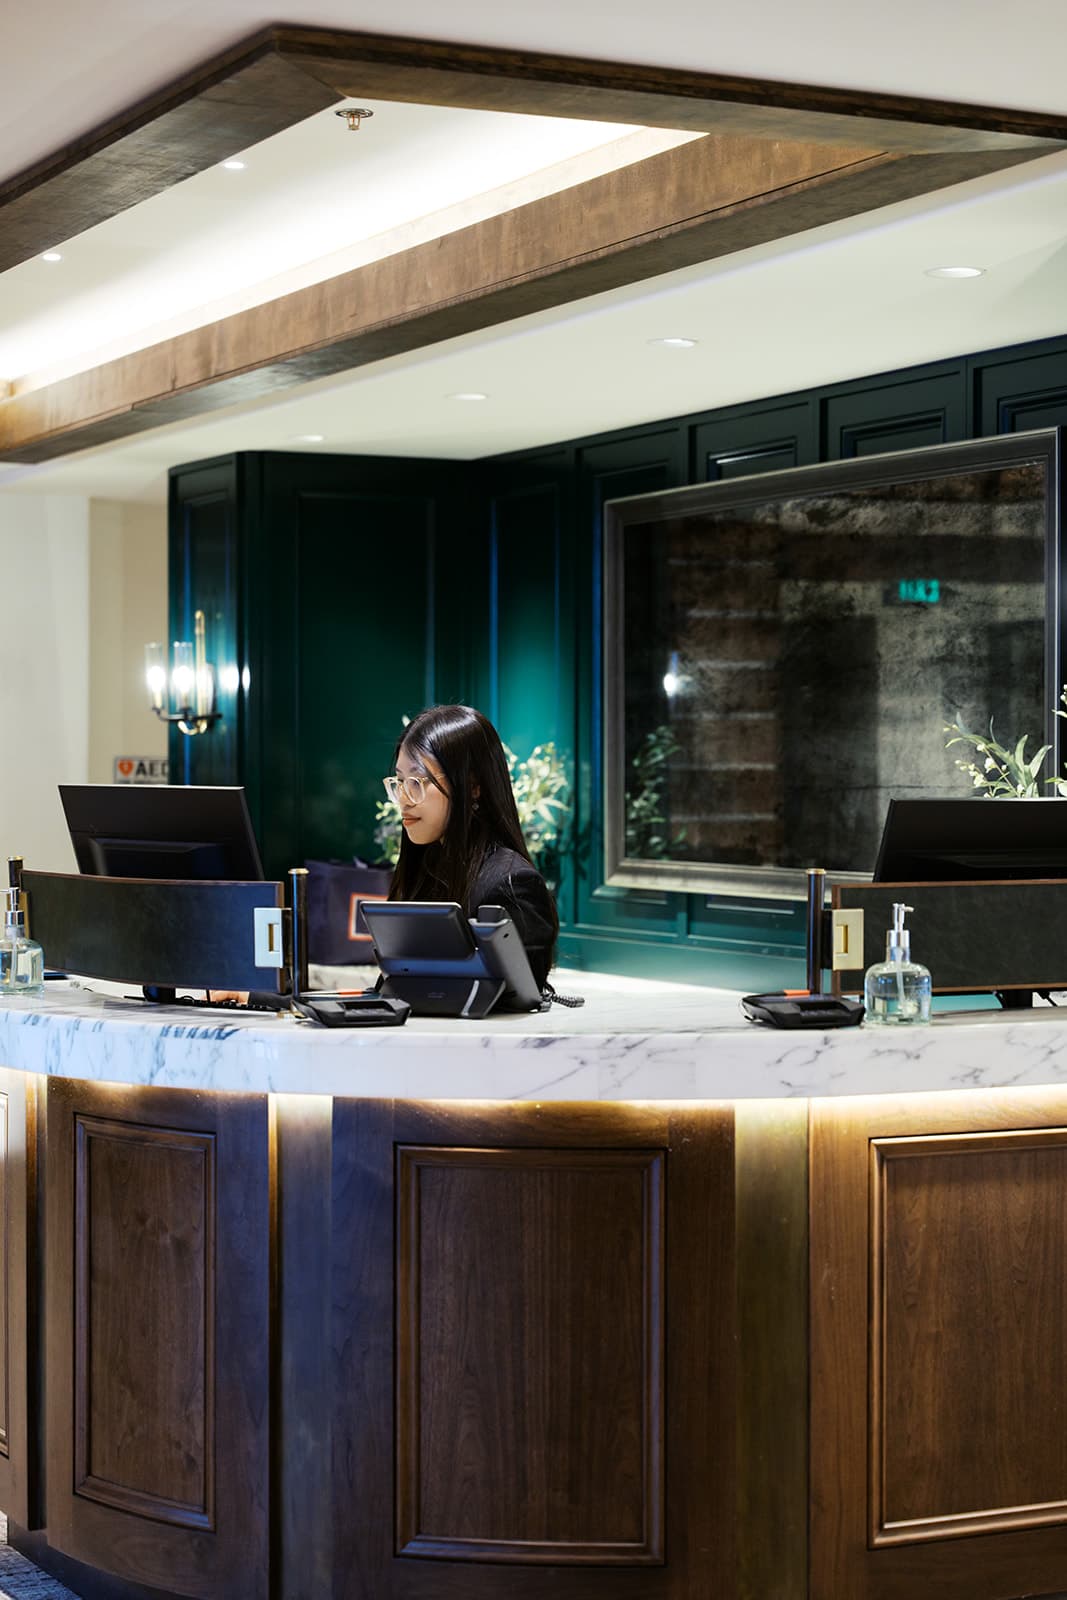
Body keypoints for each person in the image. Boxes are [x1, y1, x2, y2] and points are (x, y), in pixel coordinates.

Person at [384, 704, 558, 989]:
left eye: (416, 781)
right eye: (400, 781)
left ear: (473, 786)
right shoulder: (425, 869)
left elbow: (516, 998)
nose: (404, 798)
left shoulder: (512, 883)